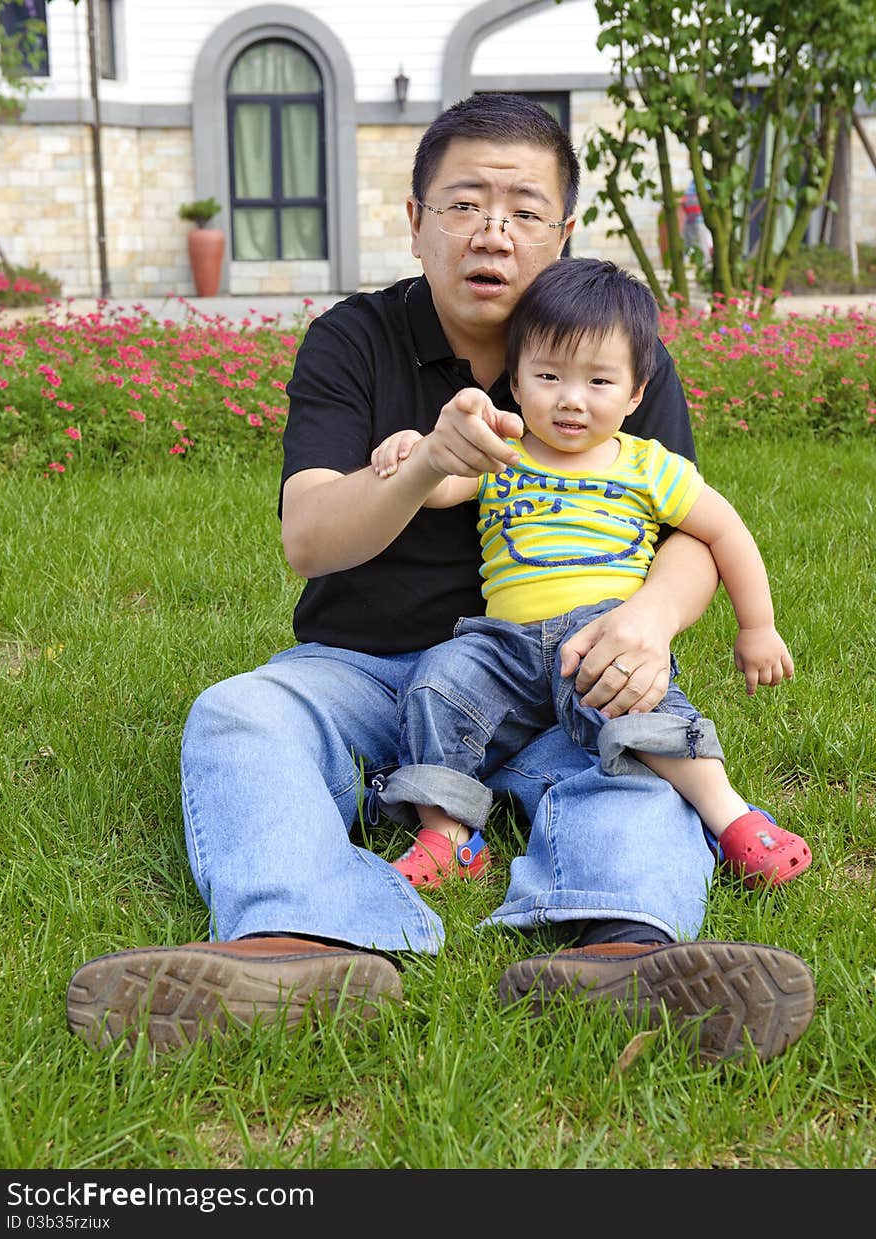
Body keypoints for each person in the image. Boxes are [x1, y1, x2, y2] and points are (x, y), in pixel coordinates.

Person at [65, 93, 814, 1065]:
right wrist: (424, 464)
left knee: (635, 763)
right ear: (414, 221)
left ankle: (626, 956)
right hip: (368, 668)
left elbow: (689, 527)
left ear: (563, 232)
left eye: (522, 210)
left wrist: (647, 625)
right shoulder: (354, 340)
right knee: (242, 715)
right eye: (463, 204)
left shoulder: (612, 353)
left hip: (563, 673)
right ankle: (298, 942)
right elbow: (309, 536)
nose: (492, 232)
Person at [369, 257, 812, 892]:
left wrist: (759, 626)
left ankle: (733, 820)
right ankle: (447, 835)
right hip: (504, 643)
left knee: (644, 707)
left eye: (599, 381)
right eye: (548, 375)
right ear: (516, 384)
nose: (571, 399)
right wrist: (413, 452)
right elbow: (437, 487)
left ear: (636, 393)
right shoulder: (503, 454)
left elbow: (725, 531)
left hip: (605, 632)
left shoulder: (649, 466)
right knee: (437, 684)